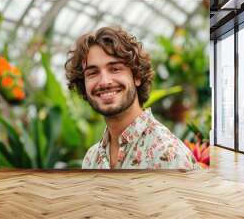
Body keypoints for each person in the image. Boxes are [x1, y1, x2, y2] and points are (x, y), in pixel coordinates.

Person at [65, 26, 200, 170]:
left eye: (115, 69)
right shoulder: (92, 158)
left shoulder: (168, 156)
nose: (104, 81)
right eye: (92, 73)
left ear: (136, 76)